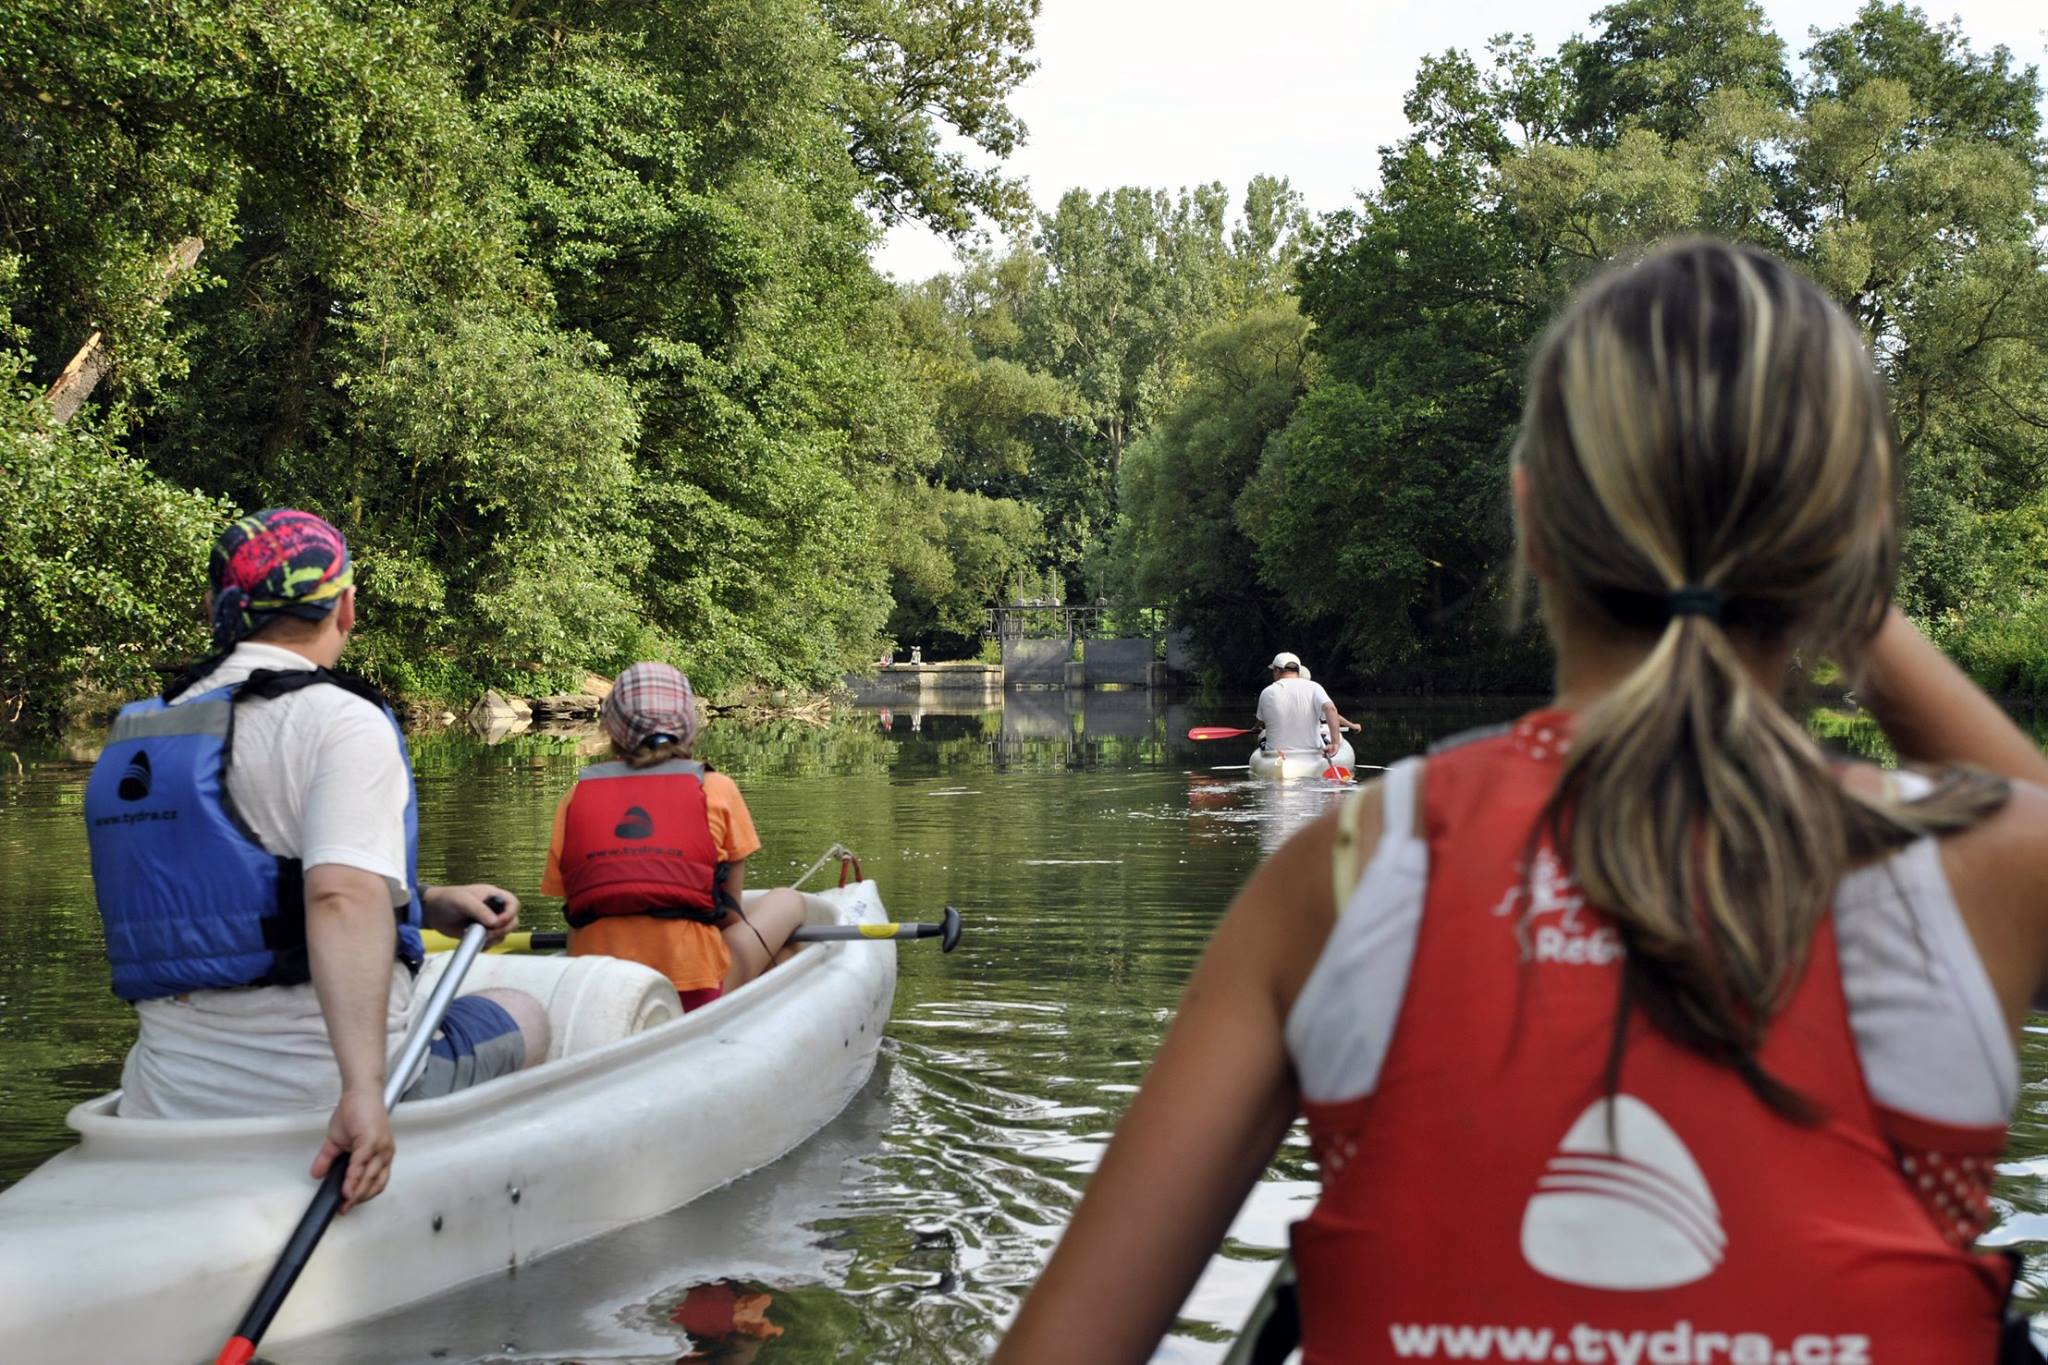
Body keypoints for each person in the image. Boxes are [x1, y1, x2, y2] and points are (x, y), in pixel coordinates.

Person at [995, 240, 2048, 1362]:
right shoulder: (1990, 866)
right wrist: (1827, 567)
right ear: (1842, 543)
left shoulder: (1341, 876)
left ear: (1530, 519)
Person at [83, 509, 551, 1213]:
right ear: (347, 607)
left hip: (165, 1096)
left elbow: (239, 889)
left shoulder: (137, 734)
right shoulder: (340, 719)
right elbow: (337, 897)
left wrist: (421, 901)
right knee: (525, 1010)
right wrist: (363, 1092)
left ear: (217, 609)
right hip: (314, 1095)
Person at [539, 662, 806, 1007]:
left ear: (612, 730)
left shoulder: (575, 798)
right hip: (694, 992)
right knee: (789, 903)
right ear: (690, 727)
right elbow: (727, 914)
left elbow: (575, 905)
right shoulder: (717, 789)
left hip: (596, 993)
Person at [1255, 651, 1344, 759]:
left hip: (1276, 754)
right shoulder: (1315, 687)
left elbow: (1262, 720)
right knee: (1337, 736)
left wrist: (1256, 728)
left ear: (1277, 670)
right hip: (1311, 753)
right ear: (1298, 670)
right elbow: (1330, 709)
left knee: (1262, 734)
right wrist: (1335, 743)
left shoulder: (1266, 692)